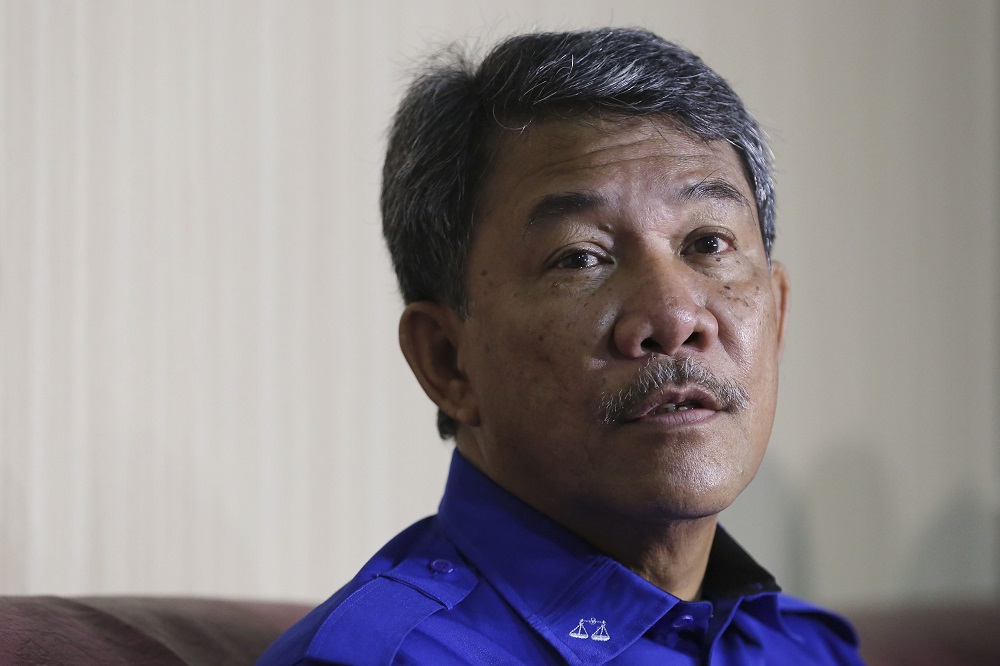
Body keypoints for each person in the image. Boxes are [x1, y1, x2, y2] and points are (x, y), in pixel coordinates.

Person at [258, 27, 863, 665]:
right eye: (580, 258)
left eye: (708, 243)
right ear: (445, 360)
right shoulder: (389, 658)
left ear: (777, 316)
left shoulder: (806, 647)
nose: (676, 316)